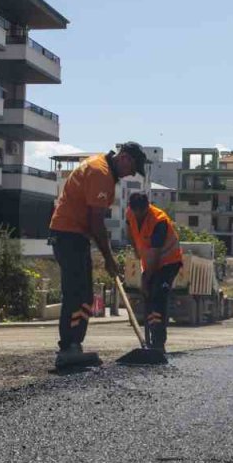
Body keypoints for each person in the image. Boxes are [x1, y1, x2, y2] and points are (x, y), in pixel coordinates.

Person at [47, 142, 147, 368]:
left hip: (74, 236)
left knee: (83, 295)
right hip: (68, 235)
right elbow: (96, 223)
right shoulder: (100, 173)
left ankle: (74, 346)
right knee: (76, 294)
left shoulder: (103, 170)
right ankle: (68, 348)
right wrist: (109, 259)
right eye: (132, 168)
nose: (130, 174)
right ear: (124, 157)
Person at [125, 193, 183, 353]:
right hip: (150, 260)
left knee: (158, 295)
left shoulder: (159, 221)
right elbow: (129, 229)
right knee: (149, 296)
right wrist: (136, 251)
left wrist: (145, 278)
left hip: (169, 262)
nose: (137, 214)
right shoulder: (129, 213)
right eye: (134, 211)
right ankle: (150, 340)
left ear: (147, 207)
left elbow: (155, 255)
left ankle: (158, 343)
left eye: (141, 212)